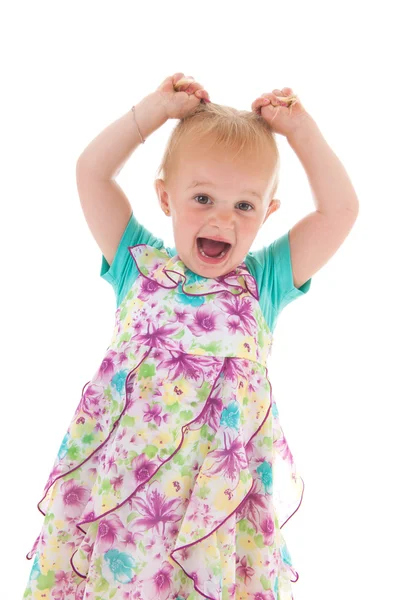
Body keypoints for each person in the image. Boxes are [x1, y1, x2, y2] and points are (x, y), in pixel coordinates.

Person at [22, 72, 359, 600]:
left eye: (244, 206)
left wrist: (301, 132)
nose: (222, 218)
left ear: (267, 212)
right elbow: (92, 172)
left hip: (214, 513)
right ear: (166, 198)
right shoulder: (137, 262)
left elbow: (340, 211)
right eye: (202, 198)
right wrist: (153, 112)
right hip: (125, 502)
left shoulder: (264, 283)